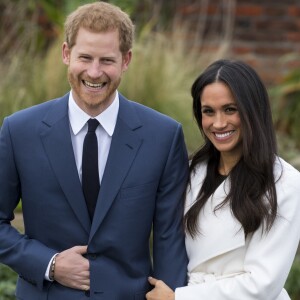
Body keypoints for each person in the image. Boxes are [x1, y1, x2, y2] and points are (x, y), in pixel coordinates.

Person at [0, 2, 189, 299]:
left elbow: (170, 238)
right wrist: (49, 264)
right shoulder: (19, 131)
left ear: (126, 60)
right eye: (85, 57)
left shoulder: (163, 136)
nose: (94, 72)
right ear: (66, 54)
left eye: (107, 60)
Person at [146, 59, 300, 300]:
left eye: (230, 109)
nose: (218, 123)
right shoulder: (189, 171)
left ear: (252, 111)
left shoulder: (285, 183)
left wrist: (180, 298)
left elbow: (262, 284)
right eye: (208, 111)